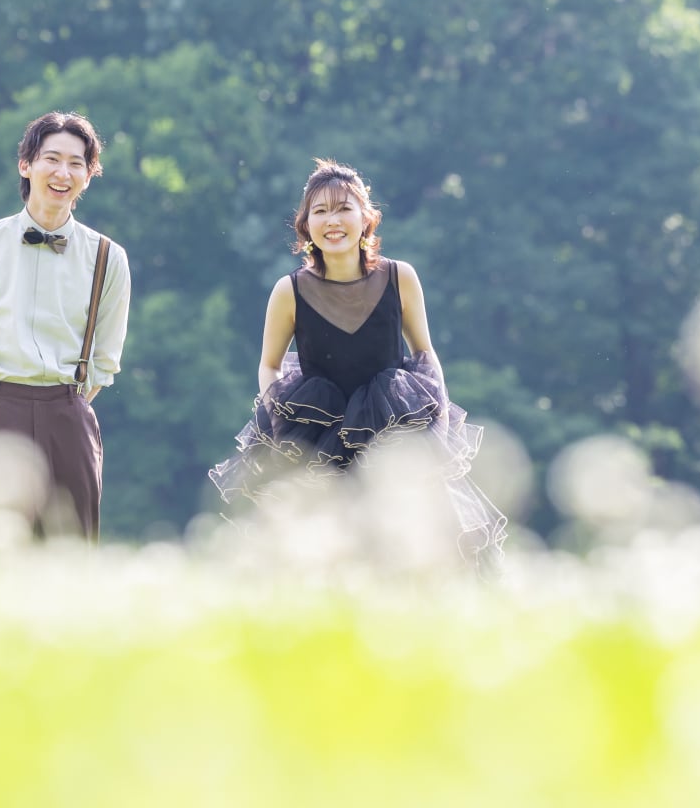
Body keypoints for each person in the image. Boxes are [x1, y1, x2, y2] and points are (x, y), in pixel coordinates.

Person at [209, 158, 506, 569]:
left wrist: (437, 414)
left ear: (366, 219)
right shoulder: (288, 290)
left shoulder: (400, 277)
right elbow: (269, 364)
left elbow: (425, 351)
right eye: (321, 211)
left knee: (409, 545)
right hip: (316, 433)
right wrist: (279, 419)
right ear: (305, 224)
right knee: (315, 548)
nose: (333, 220)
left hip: (393, 428)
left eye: (343, 208)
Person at [0, 111, 131, 551]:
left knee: (72, 549)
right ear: (25, 165)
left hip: (69, 411)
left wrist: (62, 403)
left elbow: (105, 359)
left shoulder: (108, 257)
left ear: (89, 174)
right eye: (51, 159)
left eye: (76, 163)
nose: (63, 173)